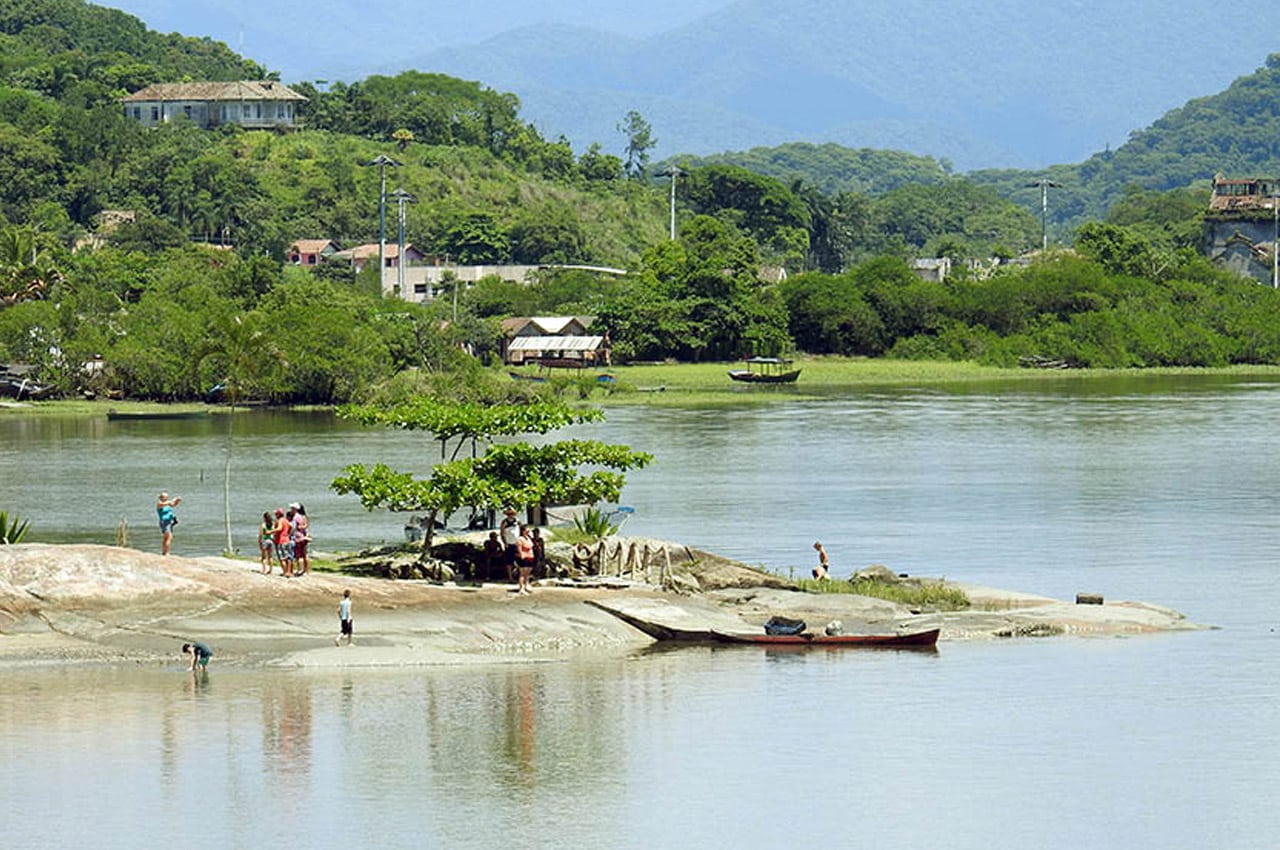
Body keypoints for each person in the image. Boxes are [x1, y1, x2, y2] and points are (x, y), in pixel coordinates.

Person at [499, 507, 520, 582]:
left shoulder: (517, 521)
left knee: (519, 560)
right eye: (509, 514)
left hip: (516, 543)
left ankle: (519, 575)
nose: (510, 515)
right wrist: (505, 543)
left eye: (512, 514)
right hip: (509, 543)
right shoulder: (504, 522)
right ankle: (510, 577)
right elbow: (502, 533)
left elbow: (521, 529)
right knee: (509, 561)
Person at [272, 508, 295, 577]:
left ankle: (285, 572)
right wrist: (288, 533)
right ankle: (289, 571)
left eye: (276, 514)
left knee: (282, 557)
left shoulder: (279, 521)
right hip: (286, 539)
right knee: (288, 557)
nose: (275, 515)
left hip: (280, 541)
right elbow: (291, 527)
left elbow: (279, 528)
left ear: (278, 514)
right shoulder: (286, 520)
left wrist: (271, 532)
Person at [291, 503, 311, 576]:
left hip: (298, 537)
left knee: (299, 555)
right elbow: (306, 525)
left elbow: (293, 527)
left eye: (292, 508)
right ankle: (307, 570)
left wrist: (298, 528)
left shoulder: (296, 517)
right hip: (304, 536)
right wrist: (302, 527)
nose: (291, 510)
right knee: (305, 554)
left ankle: (300, 570)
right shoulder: (304, 517)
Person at [515, 524, 535, 595]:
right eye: (527, 529)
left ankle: (527, 585)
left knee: (528, 573)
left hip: (530, 556)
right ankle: (521, 588)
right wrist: (521, 555)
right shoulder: (520, 539)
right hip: (524, 557)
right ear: (523, 531)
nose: (528, 530)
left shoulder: (528, 538)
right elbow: (519, 548)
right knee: (522, 573)